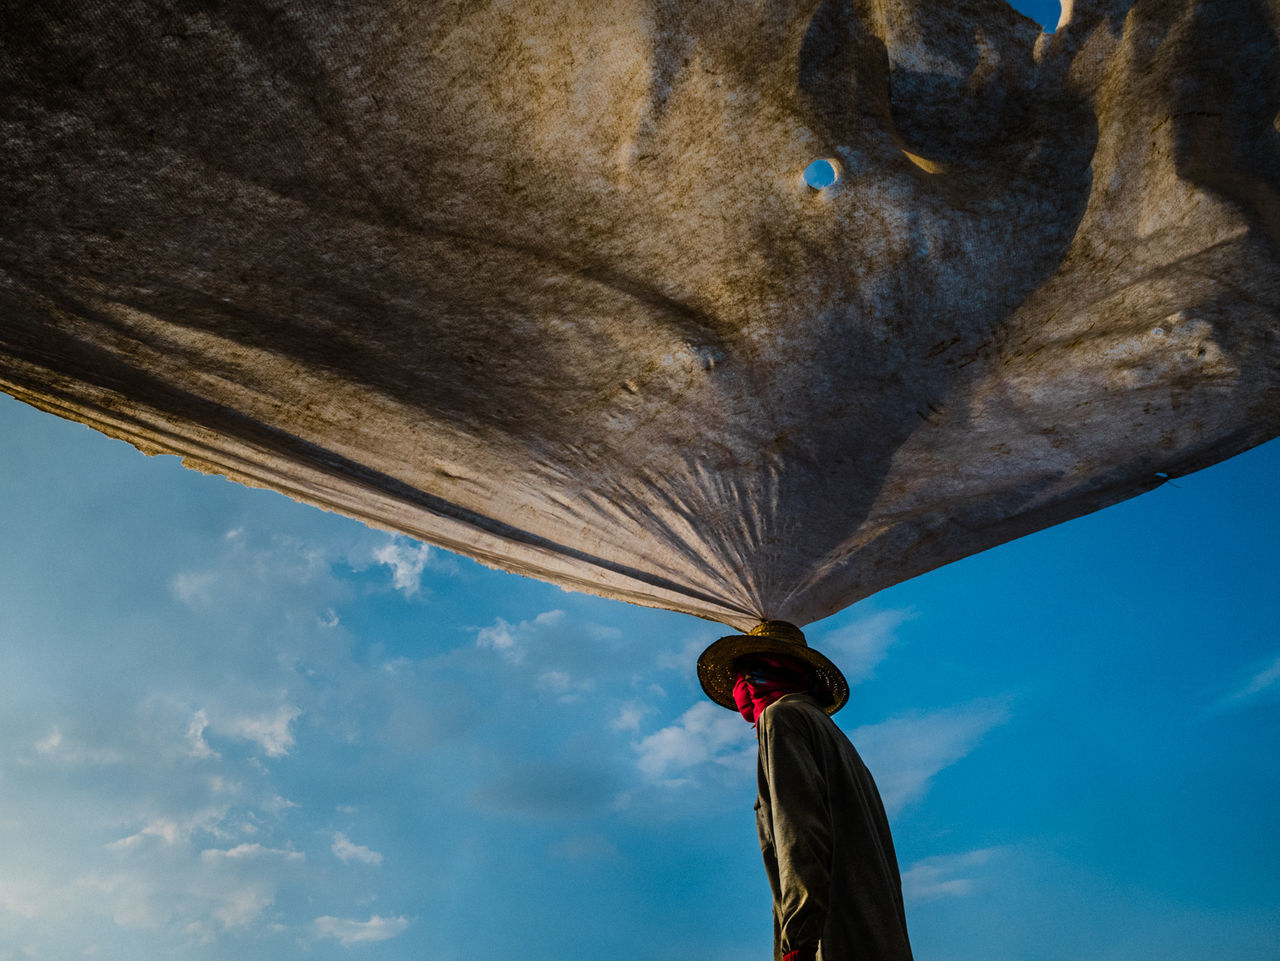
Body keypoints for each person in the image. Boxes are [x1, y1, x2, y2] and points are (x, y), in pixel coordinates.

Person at [697, 620, 914, 961]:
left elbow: (798, 830)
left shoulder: (781, 718)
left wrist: (799, 939)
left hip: (833, 937)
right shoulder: (829, 731)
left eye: (750, 672)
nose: (745, 684)